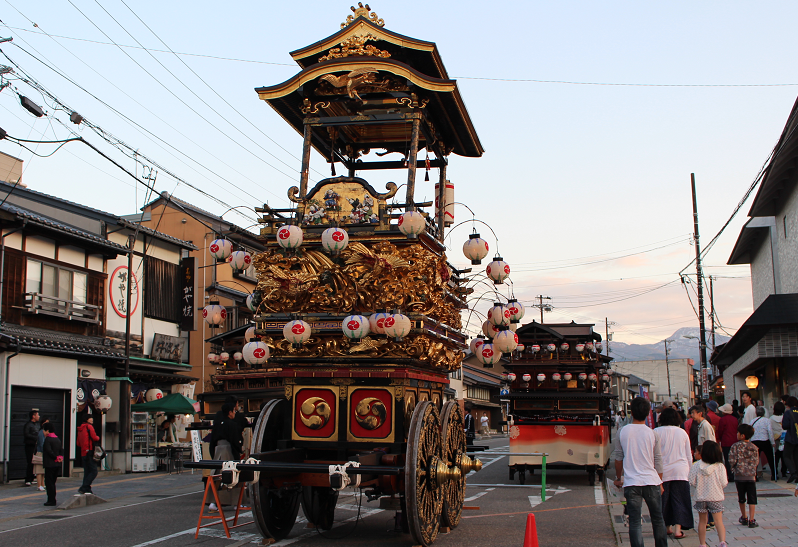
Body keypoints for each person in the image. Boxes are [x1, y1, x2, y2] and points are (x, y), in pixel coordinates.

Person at [612, 396, 668, 547]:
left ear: (631, 412)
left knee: (635, 521)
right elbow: (658, 461)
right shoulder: (652, 433)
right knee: (658, 519)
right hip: (652, 481)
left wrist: (618, 477)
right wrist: (660, 481)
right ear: (648, 413)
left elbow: (618, 458)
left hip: (632, 483)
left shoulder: (623, 432)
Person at [654, 408, 693, 539]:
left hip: (662, 472)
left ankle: (666, 528)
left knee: (664, 501)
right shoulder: (682, 433)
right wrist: (689, 471)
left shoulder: (656, 432)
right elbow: (688, 455)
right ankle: (678, 530)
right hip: (680, 470)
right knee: (680, 500)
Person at [688, 441, 728, 547]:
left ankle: (702, 544)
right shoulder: (720, 466)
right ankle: (722, 542)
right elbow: (724, 482)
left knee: (702, 521)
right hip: (715, 496)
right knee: (718, 521)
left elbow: (692, 481)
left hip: (701, 497)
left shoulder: (696, 466)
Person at [728, 423, 759, 528]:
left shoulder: (735, 446)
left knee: (741, 497)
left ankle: (744, 516)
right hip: (751, 476)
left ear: (742, 436)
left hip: (739, 476)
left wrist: (734, 467)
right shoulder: (754, 447)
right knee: (752, 498)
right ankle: (752, 519)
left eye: (738, 433)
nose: (737, 434)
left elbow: (731, 460)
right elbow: (756, 461)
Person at [750, 406, 775, 481]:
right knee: (770, 458)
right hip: (765, 440)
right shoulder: (767, 420)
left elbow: (750, 431)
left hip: (754, 441)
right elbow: (770, 432)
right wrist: (772, 442)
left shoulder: (752, 421)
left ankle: (755, 476)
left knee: (755, 459)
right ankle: (773, 474)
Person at [76, 416, 100, 494]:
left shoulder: (80, 429)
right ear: (86, 419)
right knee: (94, 471)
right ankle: (84, 487)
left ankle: (87, 488)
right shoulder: (89, 427)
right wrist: (98, 437)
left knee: (87, 471)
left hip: (83, 452)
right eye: (90, 418)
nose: (92, 419)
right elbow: (95, 438)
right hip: (90, 451)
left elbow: (78, 443)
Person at [41, 422, 63, 507]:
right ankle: (53, 499)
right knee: (53, 482)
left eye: (44, 430)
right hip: (57, 465)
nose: (43, 432)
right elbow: (61, 449)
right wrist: (60, 457)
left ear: (47, 430)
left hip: (49, 464)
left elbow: (48, 451)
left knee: (49, 483)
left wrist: (55, 457)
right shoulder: (57, 439)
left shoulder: (48, 439)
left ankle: (51, 500)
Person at [716, 404, 738, 481]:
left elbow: (720, 431)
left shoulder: (722, 420)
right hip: (735, 441)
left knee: (727, 459)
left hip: (726, 441)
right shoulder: (735, 419)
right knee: (735, 458)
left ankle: (730, 475)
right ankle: (735, 473)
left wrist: (719, 438)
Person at [782, 396, 798, 483]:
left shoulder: (788, 413)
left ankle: (793, 472)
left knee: (786, 455)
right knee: (796, 456)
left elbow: (785, 425)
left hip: (791, 437)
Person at [23, 410, 40, 486]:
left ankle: (32, 477)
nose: (38, 416)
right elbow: (26, 434)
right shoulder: (28, 425)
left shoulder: (36, 425)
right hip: (30, 445)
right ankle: (28, 479)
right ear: (33, 416)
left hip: (35, 446)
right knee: (30, 461)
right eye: (37, 415)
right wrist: (35, 438)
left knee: (34, 462)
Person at [770, 401, 786, 480]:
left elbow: (770, 430)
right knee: (784, 456)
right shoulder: (785, 417)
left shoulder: (771, 419)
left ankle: (775, 472)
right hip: (784, 438)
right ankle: (784, 472)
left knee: (775, 457)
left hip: (775, 439)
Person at [34, 417, 49, 492]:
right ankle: (39, 485)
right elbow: (41, 443)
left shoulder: (44, 432)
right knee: (39, 470)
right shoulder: (41, 432)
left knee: (43, 470)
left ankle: (43, 484)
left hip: (43, 452)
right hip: (40, 452)